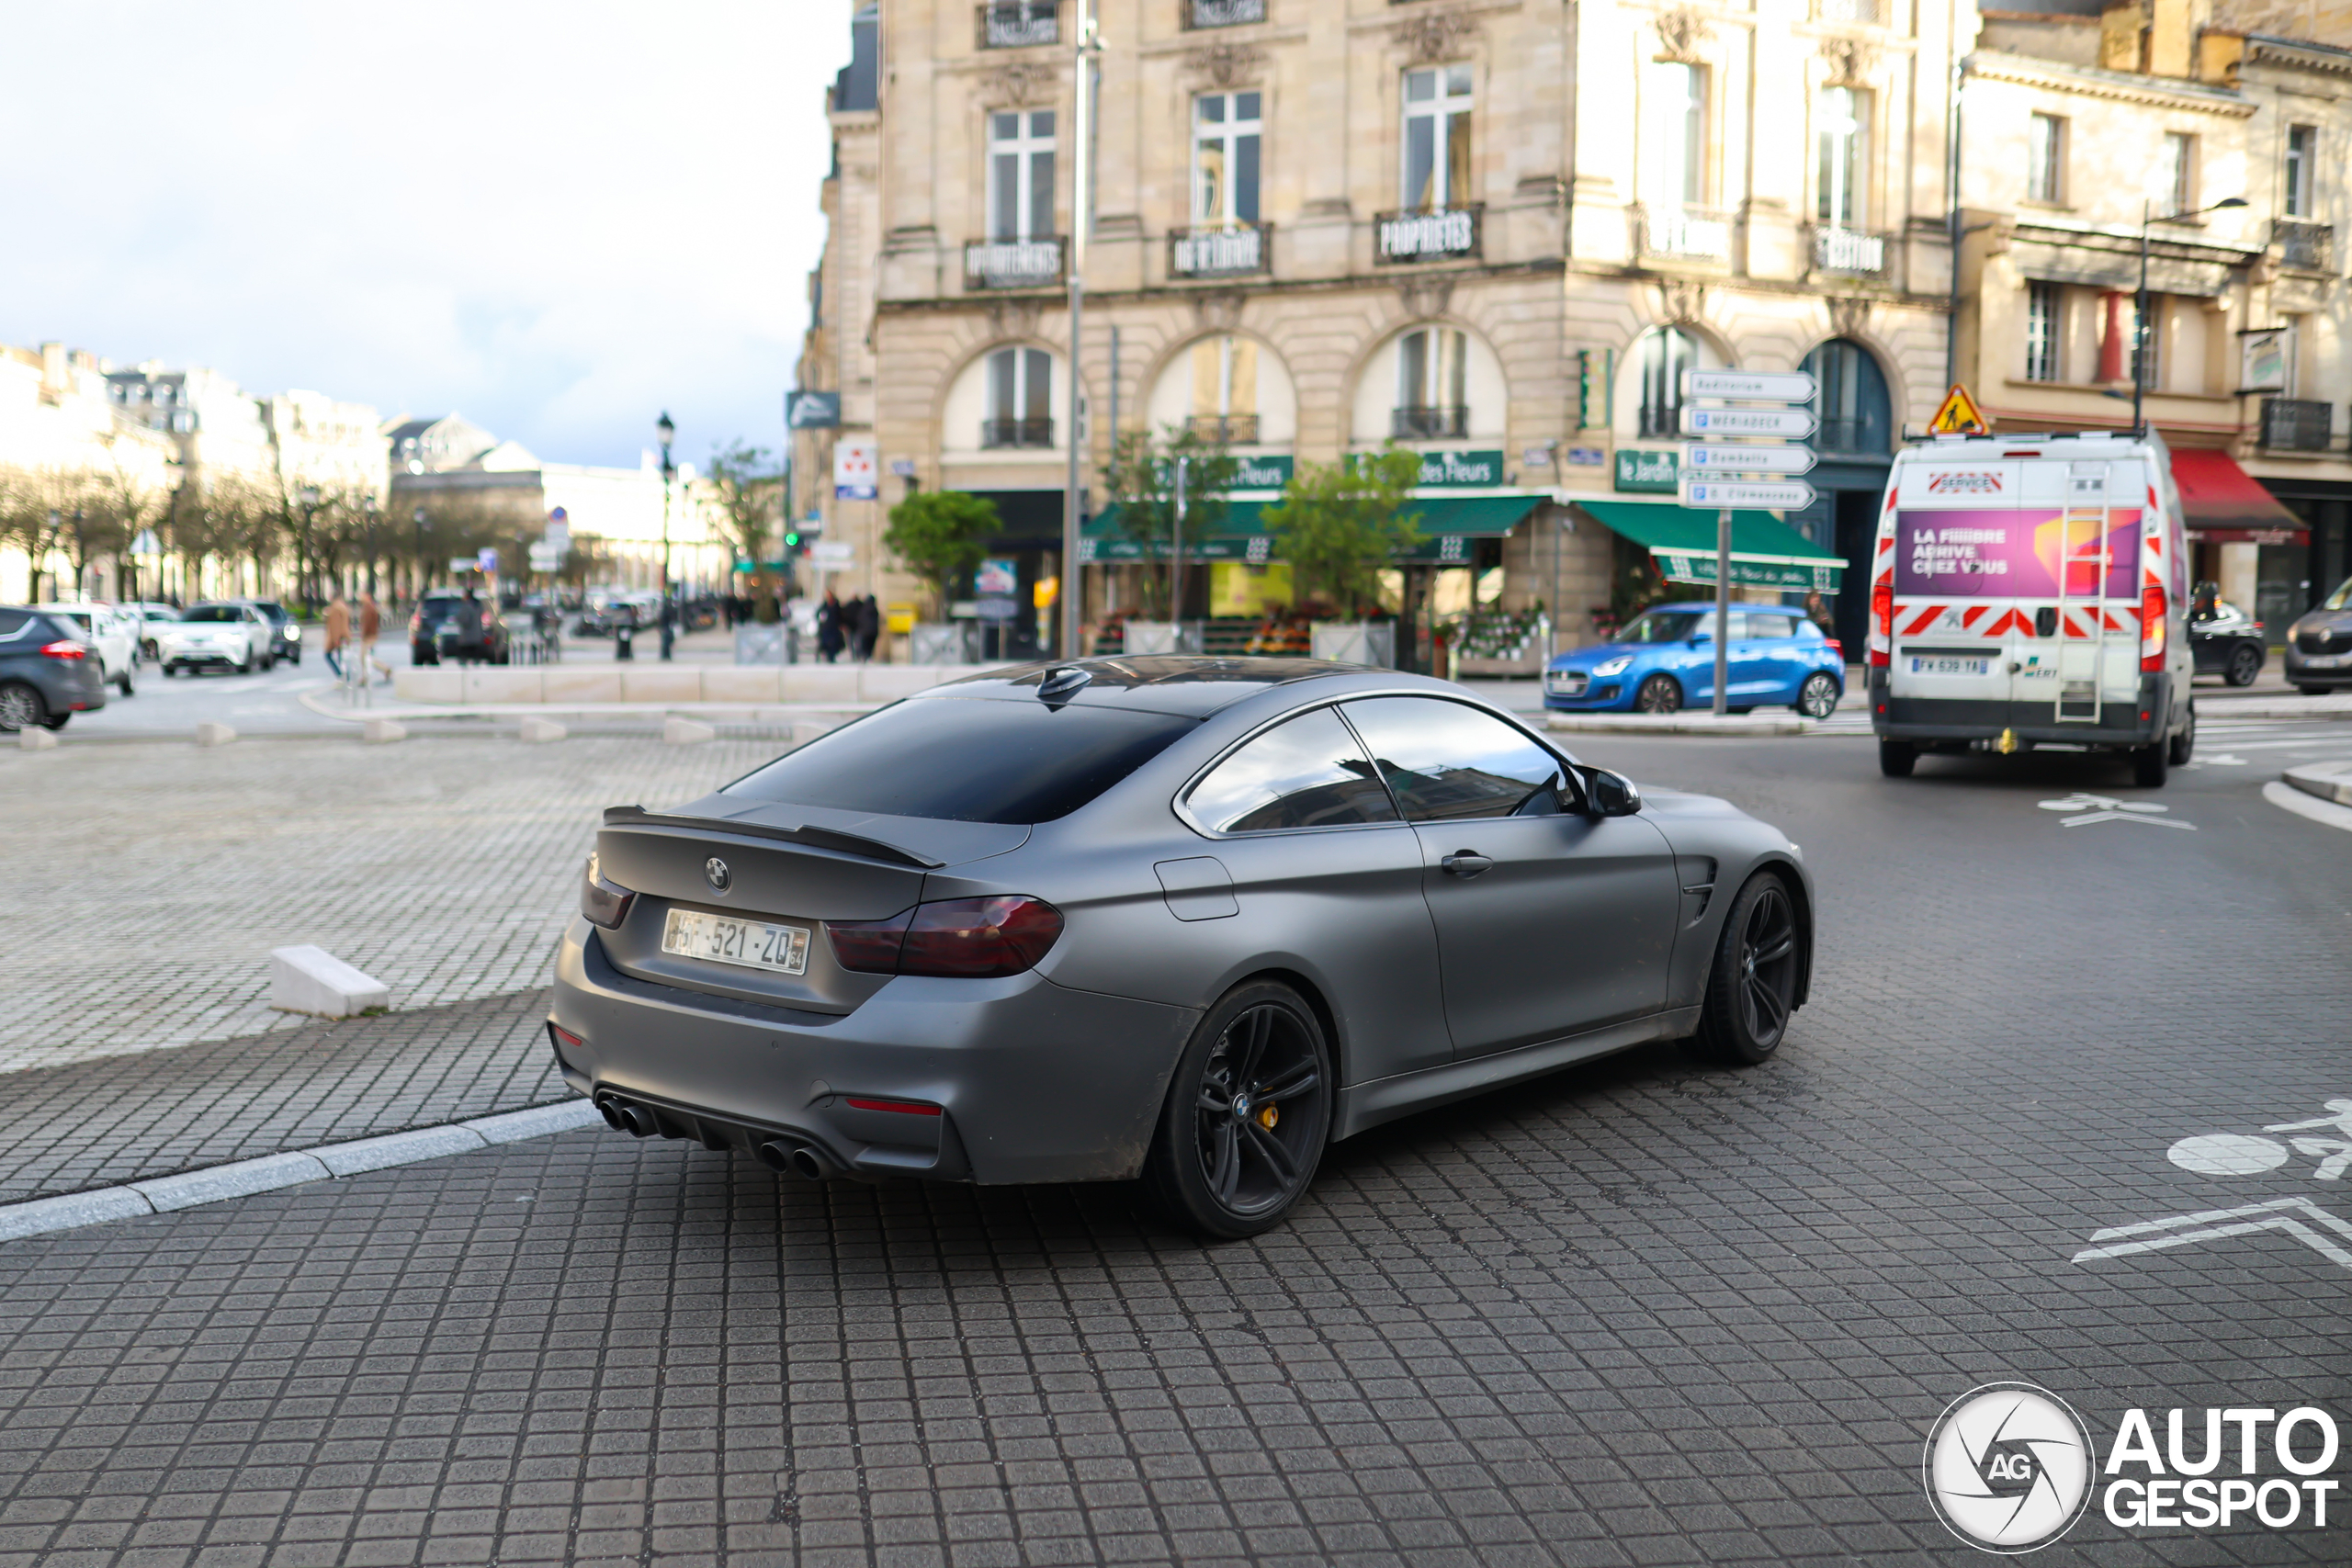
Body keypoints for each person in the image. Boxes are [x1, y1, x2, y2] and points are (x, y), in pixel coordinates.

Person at [358, 592, 391, 684]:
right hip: (371, 635)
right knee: (367, 657)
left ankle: (384, 669)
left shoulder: (368, 609)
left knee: (365, 657)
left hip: (369, 637)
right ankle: (384, 669)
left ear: (368, 597)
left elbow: (367, 624)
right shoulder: (370, 608)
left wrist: (364, 635)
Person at [453, 589, 487, 665]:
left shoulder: (466, 606)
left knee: (463, 659)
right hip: (477, 637)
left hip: (467, 639)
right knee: (476, 660)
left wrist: (457, 618)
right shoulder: (479, 605)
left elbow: (464, 620)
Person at [323, 591, 350, 679]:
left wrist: (335, 639)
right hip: (343, 635)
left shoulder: (335, 609)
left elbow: (335, 625)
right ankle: (345, 677)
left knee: (328, 656)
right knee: (341, 658)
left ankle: (342, 677)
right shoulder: (343, 607)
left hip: (337, 637)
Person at [817, 591, 844, 662]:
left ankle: (832, 656)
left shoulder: (836, 605)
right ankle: (828, 655)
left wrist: (841, 625)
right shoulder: (825, 605)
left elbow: (840, 616)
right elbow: (818, 614)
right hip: (826, 628)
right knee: (826, 643)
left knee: (834, 643)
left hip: (834, 627)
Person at [854, 593, 882, 662]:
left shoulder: (863, 610)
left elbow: (859, 619)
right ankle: (868, 656)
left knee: (864, 646)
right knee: (870, 646)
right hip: (873, 632)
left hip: (865, 631)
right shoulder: (875, 610)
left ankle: (864, 657)